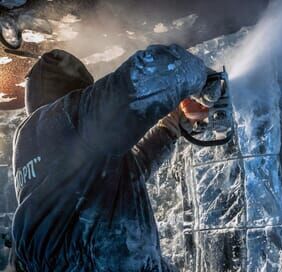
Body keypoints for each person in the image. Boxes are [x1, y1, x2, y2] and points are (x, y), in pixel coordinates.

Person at [10, 44, 209, 271]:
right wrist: (202, 82)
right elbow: (162, 68)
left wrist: (174, 124)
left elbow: (119, 178)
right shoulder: (67, 118)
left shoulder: (39, 151)